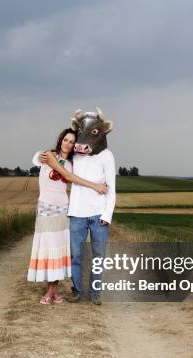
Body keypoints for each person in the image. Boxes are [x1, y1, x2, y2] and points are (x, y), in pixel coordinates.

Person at [40, 108, 116, 305]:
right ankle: (77, 290)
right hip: (77, 213)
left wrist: (107, 214)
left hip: (99, 214)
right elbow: (58, 160)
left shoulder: (107, 156)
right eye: (81, 131)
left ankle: (95, 291)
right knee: (76, 255)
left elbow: (111, 189)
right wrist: (42, 156)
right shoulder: (76, 153)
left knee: (99, 255)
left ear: (102, 132)